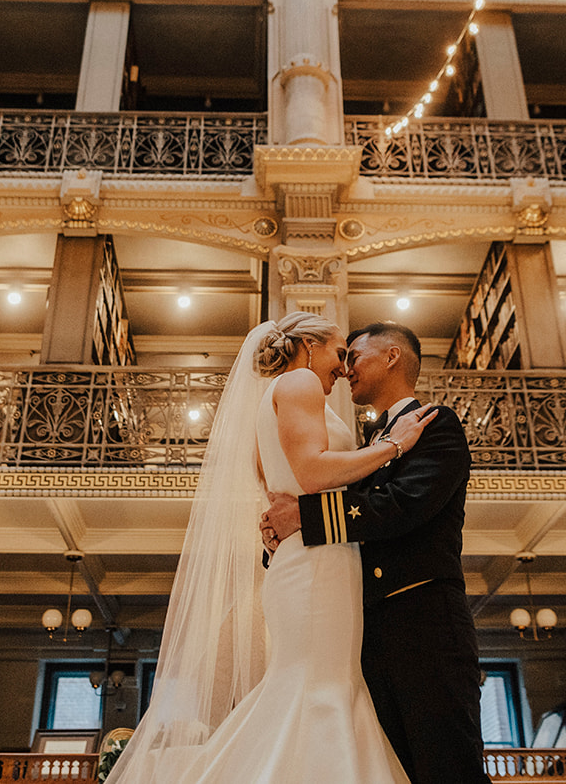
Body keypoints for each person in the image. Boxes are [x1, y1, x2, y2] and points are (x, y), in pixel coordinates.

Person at [106, 312, 437, 784]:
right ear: (308, 345)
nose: (343, 369)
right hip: (318, 563)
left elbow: (281, 491)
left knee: (313, 682)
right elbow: (314, 474)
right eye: (339, 353)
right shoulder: (299, 381)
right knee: (318, 686)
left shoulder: (272, 400)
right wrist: (394, 447)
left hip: (305, 555)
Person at [261, 321, 489, 784]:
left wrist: (306, 518)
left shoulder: (434, 423)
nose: (345, 369)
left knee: (447, 765)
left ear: (392, 357)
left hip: (423, 621)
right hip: (367, 627)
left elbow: (402, 506)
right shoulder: (372, 444)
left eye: (355, 356)